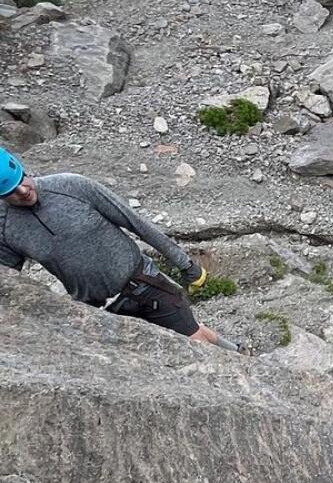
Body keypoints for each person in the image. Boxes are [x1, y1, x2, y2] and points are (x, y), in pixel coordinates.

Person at [0, 148, 233, 347]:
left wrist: (186, 265)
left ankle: (239, 357)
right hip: (100, 312)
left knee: (194, 341)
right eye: (11, 191)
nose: (22, 191)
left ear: (23, 168)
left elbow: (136, 223)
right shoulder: (7, 229)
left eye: (21, 179)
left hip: (145, 285)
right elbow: (8, 282)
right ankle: (238, 351)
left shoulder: (71, 186)